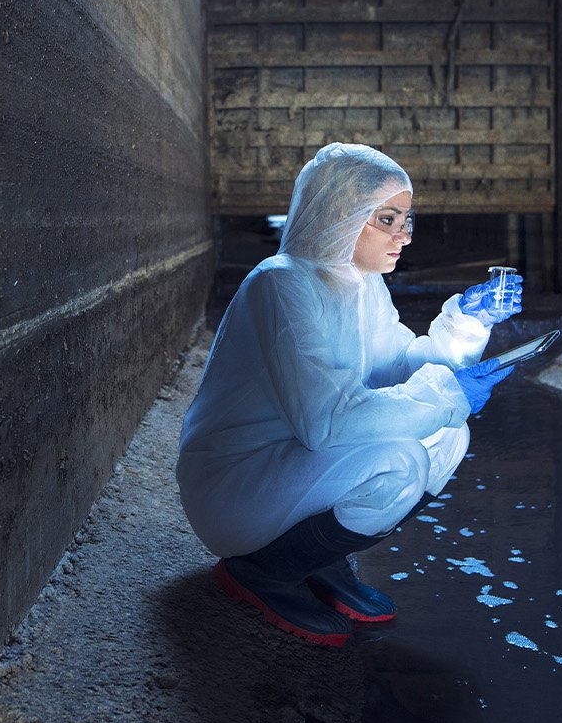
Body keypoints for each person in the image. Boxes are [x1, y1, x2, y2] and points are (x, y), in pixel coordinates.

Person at [177, 143, 523, 646]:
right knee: (399, 460)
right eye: (388, 219)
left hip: (290, 463)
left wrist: (466, 323)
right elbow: (329, 423)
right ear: (342, 214)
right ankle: (262, 570)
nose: (404, 235)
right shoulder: (283, 285)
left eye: (407, 220)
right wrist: (448, 393)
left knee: (449, 436)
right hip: (235, 481)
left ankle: (316, 558)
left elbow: (399, 368)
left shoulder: (360, 284)